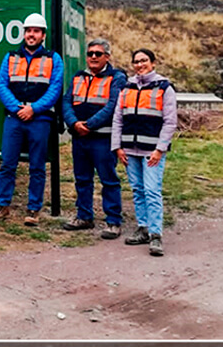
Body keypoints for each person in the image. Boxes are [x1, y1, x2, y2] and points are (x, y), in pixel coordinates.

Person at [0, 13, 64, 226]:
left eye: (36, 31)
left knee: (37, 166)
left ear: (43, 35)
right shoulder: (11, 57)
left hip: (39, 119)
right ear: (24, 33)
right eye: (28, 31)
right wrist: (17, 108)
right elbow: (2, 84)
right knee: (8, 164)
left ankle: (33, 209)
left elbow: (55, 88)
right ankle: (2, 206)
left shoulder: (53, 59)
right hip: (14, 118)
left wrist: (33, 109)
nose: (31, 35)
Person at [112, 48, 178, 257]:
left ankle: (156, 234)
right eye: (136, 62)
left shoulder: (164, 88)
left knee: (151, 191)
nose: (140, 65)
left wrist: (160, 149)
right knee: (138, 190)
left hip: (152, 151)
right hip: (130, 150)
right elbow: (118, 119)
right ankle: (142, 228)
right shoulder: (127, 87)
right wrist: (118, 147)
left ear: (153, 63)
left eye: (144, 61)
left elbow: (170, 122)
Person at [61, 38, 127, 239]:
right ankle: (84, 216)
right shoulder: (78, 76)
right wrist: (74, 123)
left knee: (109, 180)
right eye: (90, 54)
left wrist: (89, 125)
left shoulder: (117, 78)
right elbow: (67, 101)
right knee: (82, 179)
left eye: (98, 54)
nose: (93, 57)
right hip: (79, 138)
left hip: (103, 139)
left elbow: (113, 105)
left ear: (107, 56)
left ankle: (113, 221)